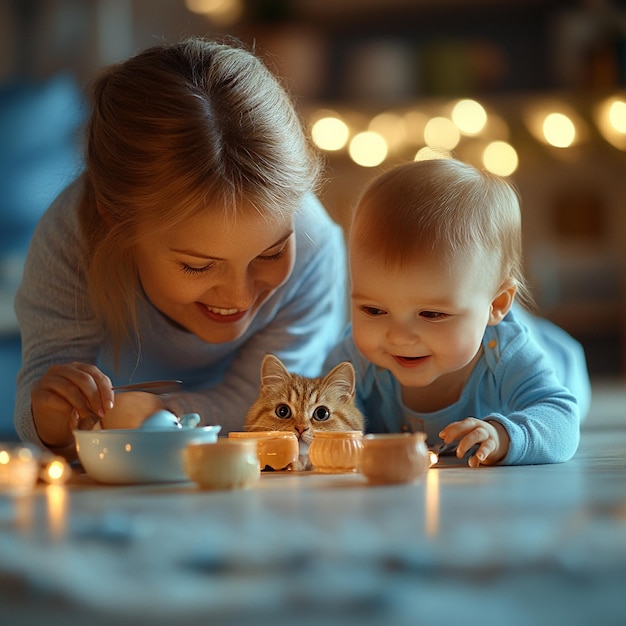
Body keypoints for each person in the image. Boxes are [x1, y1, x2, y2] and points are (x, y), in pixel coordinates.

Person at [14, 37, 347, 460]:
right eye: (197, 266)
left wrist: (163, 413)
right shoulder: (73, 238)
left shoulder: (316, 246)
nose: (239, 297)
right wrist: (54, 418)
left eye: (270, 254)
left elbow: (266, 409)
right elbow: (46, 386)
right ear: (117, 222)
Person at [324, 158, 591, 466]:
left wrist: (503, 436)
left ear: (497, 304)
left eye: (431, 314)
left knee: (556, 374)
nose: (398, 336)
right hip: (481, 315)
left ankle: (517, 319)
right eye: (373, 309)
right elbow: (324, 423)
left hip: (559, 361)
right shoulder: (354, 361)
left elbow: (561, 422)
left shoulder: (506, 355)